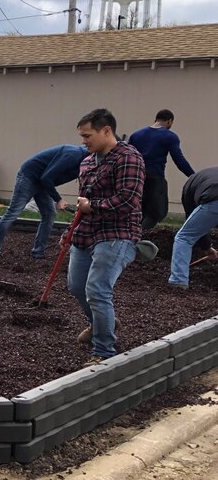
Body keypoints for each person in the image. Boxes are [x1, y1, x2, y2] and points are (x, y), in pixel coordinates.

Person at [68, 108, 144, 363]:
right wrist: (70, 231)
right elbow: (83, 203)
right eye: (82, 136)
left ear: (106, 131)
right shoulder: (88, 161)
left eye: (87, 135)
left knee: (98, 289)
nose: (83, 141)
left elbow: (128, 200)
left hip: (117, 233)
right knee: (76, 286)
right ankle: (102, 323)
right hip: (86, 233)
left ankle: (103, 350)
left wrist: (94, 206)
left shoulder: (129, 158)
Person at [0, 144, 88, 268]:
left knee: (49, 215)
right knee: (12, 213)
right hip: (29, 177)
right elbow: (46, 177)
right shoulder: (73, 155)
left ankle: (38, 252)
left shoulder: (88, 162)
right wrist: (58, 200)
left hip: (43, 182)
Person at [128, 109, 194, 230]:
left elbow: (127, 156)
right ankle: (140, 237)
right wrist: (192, 175)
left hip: (136, 178)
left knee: (139, 212)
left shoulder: (136, 135)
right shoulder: (170, 136)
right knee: (157, 212)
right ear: (169, 121)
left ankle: (132, 236)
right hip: (155, 177)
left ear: (156, 119)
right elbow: (179, 159)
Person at [168, 166, 218, 290]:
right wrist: (207, 247)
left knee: (184, 237)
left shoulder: (190, 186)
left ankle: (178, 281)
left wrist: (205, 246)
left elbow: (193, 224)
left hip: (214, 199)